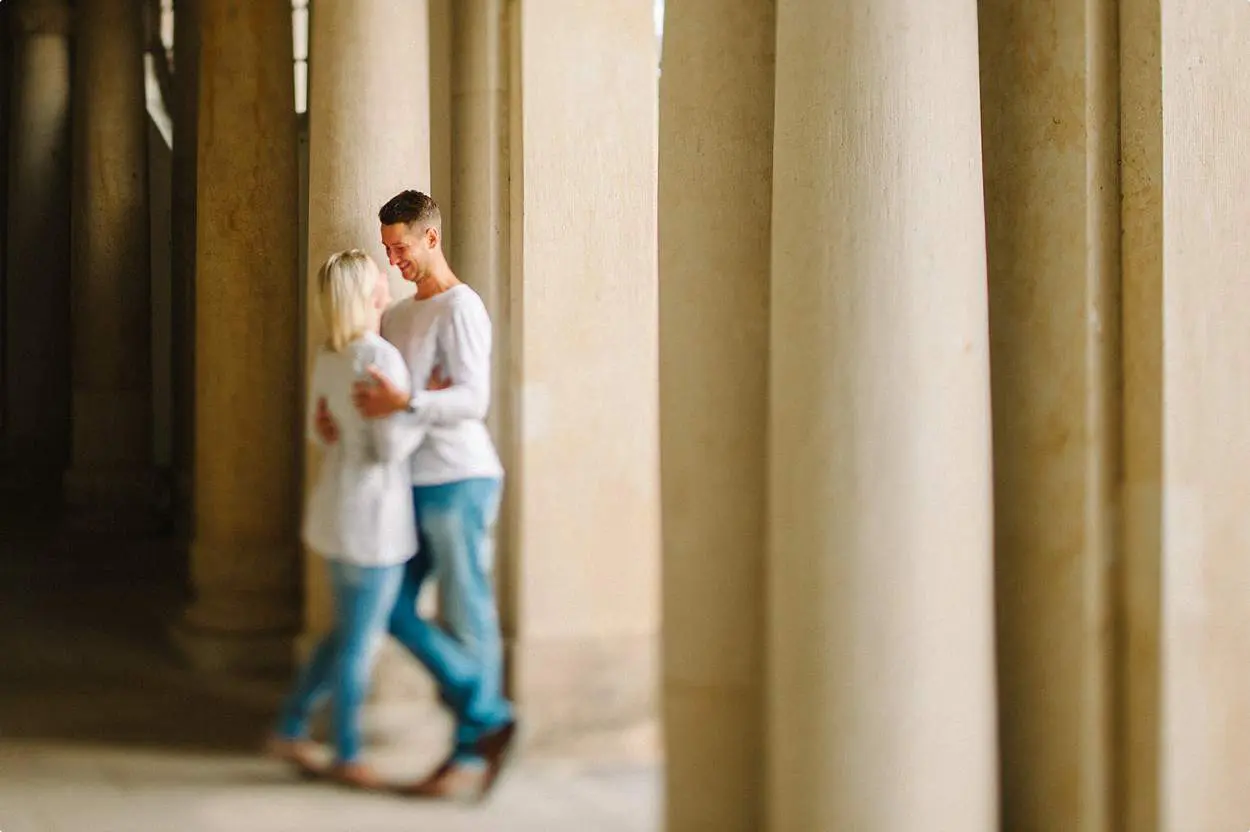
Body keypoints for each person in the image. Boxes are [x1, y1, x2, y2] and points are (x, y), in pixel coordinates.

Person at [316, 190, 517, 801]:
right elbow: (384, 398)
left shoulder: (462, 307)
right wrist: (342, 423)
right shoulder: (399, 318)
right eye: (386, 249)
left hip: (460, 479)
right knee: (392, 609)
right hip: (408, 483)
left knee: (467, 612)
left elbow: (471, 402)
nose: (393, 258)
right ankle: (486, 716)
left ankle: (468, 754)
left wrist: (411, 402)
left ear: (431, 238)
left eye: (400, 247)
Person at [267, 249, 424, 790]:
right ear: (370, 293)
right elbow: (387, 449)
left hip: (336, 506)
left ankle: (290, 725)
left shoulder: (331, 355)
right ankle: (348, 752)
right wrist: (416, 410)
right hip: (372, 515)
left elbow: (320, 432)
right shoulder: (380, 358)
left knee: (344, 632)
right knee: (360, 643)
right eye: (379, 275)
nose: (387, 277)